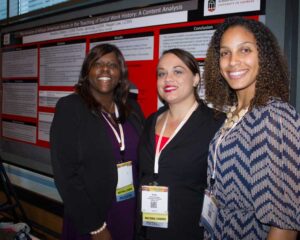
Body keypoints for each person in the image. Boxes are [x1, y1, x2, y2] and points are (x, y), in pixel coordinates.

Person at [202, 16, 300, 240]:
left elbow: (285, 224)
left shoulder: (276, 116)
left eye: (244, 50)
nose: (232, 61)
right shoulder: (235, 113)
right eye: (225, 53)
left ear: (263, 57)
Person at [50, 43, 144, 240]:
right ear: (87, 71)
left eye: (112, 65)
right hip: (92, 214)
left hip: (128, 209)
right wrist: (95, 227)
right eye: (98, 64)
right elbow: (66, 174)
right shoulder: (71, 108)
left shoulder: (132, 108)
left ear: (120, 74)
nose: (105, 69)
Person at [137, 48, 224, 240]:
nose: (168, 79)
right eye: (162, 73)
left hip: (188, 230)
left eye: (177, 71)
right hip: (147, 228)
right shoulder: (151, 120)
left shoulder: (217, 124)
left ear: (195, 78)